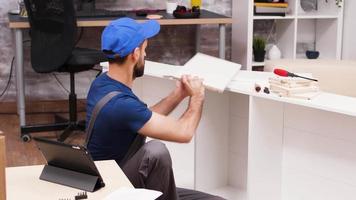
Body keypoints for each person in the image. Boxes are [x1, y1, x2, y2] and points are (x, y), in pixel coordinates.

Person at [86, 17, 225, 200]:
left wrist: (178, 94)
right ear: (135, 54)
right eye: (145, 50)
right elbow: (185, 132)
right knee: (156, 152)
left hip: (118, 175)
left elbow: (143, 118)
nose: (146, 55)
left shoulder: (103, 83)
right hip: (114, 190)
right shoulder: (121, 105)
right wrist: (197, 96)